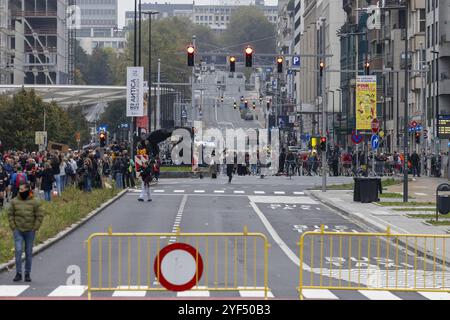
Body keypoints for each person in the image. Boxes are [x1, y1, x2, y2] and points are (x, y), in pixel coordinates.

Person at [8, 183, 44, 282]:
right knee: (18, 251)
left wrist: (35, 228)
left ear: (28, 190)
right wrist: (13, 227)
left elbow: (40, 215)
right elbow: (10, 214)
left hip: (30, 231)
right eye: (19, 189)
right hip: (18, 230)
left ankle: (27, 273)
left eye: (23, 189)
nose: (20, 191)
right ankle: (18, 273)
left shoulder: (35, 201)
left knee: (28, 252)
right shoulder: (14, 201)